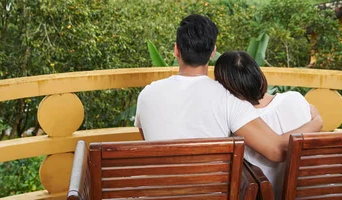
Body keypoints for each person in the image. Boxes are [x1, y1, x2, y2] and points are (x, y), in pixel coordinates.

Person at [134, 14, 322, 163]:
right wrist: (316, 122)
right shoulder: (227, 98)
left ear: (176, 50)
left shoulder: (146, 95)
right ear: (213, 52)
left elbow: (149, 141)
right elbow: (277, 150)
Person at [215, 50, 315, 199]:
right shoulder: (296, 99)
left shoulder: (241, 121)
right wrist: (318, 121)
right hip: (309, 193)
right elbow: (316, 116)